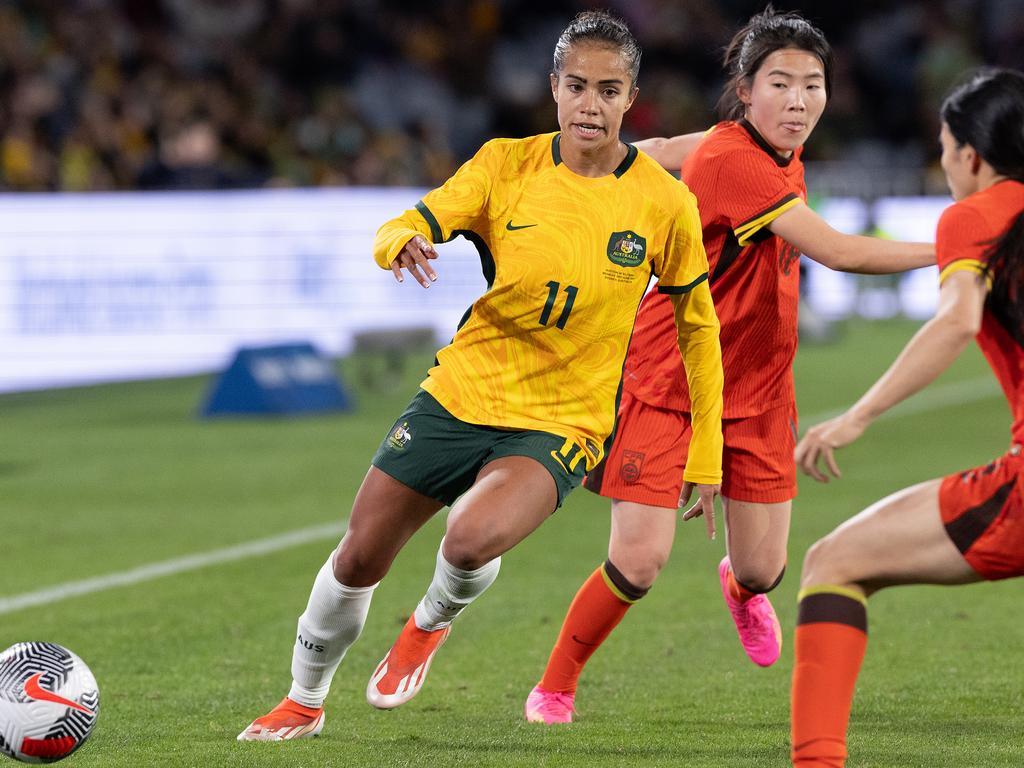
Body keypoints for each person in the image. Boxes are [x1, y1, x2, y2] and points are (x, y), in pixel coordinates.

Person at [237, 10, 725, 742]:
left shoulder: (663, 201)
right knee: (359, 554)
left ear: (631, 98)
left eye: (609, 90)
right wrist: (398, 240)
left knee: (468, 538)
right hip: (462, 391)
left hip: (564, 419)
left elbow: (699, 328)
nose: (591, 105)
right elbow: (411, 220)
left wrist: (709, 452)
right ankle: (303, 701)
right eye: (577, 86)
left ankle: (429, 621)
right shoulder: (506, 165)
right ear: (554, 87)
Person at [525, 6, 936, 725]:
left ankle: (741, 592)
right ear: (746, 89)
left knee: (763, 568)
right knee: (640, 561)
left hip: (760, 386)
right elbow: (840, 251)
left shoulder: (750, 145)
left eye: (813, 84)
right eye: (780, 83)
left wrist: (609, 170)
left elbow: (658, 147)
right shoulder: (739, 162)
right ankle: (555, 685)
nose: (799, 100)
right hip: (670, 379)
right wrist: (955, 247)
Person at [790, 67, 1024, 768]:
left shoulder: (976, 215)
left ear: (972, 157)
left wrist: (856, 416)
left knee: (833, 562)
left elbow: (956, 322)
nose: (945, 164)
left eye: (947, 150)